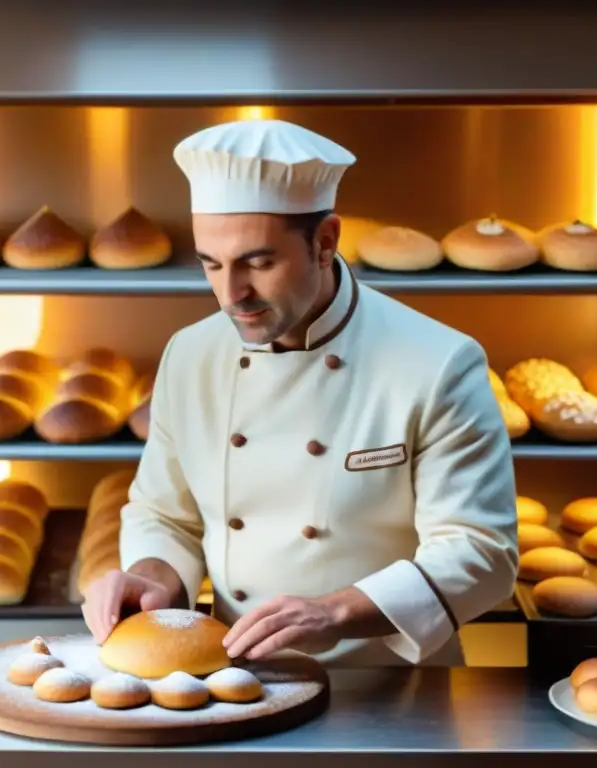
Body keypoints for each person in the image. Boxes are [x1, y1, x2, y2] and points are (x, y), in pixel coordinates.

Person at [82, 119, 518, 666]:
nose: (231, 295)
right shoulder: (191, 355)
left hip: (387, 685)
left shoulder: (437, 362)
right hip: (229, 678)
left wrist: (337, 612)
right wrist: (150, 579)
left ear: (325, 242)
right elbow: (165, 513)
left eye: (258, 263)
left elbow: (481, 550)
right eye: (211, 265)